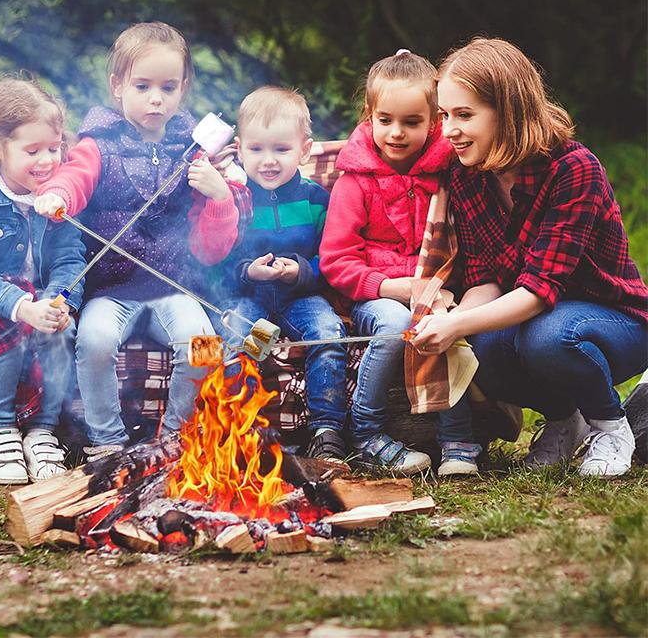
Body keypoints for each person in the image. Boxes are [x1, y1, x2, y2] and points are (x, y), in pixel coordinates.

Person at [410, 37, 648, 477]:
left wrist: (456, 323)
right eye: (445, 115)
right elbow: (486, 279)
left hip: (615, 322)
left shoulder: (572, 169)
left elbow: (538, 293)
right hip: (537, 319)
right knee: (482, 347)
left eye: (464, 115)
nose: (448, 131)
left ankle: (611, 427)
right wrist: (448, 323)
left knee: (545, 335)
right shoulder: (468, 176)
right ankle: (565, 420)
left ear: (509, 109)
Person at [34, 22, 239, 458]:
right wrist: (59, 194)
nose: (155, 99)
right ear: (117, 86)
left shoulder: (194, 151)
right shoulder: (98, 144)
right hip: (111, 291)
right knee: (94, 341)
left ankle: (174, 439)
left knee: (206, 347)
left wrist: (220, 197)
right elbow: (76, 176)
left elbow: (211, 249)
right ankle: (107, 441)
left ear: (183, 88)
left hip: (176, 288)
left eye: (168, 87)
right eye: (142, 85)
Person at [320, 50, 480, 476]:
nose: (396, 133)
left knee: (447, 322)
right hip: (375, 294)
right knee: (394, 324)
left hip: (436, 285)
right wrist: (395, 287)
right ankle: (366, 430)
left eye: (412, 122)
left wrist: (440, 291)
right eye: (385, 120)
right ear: (369, 116)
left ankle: (457, 437)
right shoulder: (355, 181)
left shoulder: (448, 174)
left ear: (435, 122)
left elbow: (462, 241)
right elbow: (335, 261)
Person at [195, 86, 349, 461]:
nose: (268, 161)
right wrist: (249, 272)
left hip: (301, 297)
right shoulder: (234, 197)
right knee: (230, 336)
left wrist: (300, 271)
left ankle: (326, 430)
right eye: (256, 149)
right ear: (240, 149)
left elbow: (331, 259)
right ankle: (239, 428)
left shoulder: (316, 199)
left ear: (304, 150)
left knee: (328, 332)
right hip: (250, 296)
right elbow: (216, 264)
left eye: (281, 149)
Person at [0, 78, 87, 484]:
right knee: (10, 329)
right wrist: (22, 306)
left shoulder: (55, 198)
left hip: (43, 302)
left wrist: (61, 301)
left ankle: (44, 431)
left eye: (54, 148)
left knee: (63, 330)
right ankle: (0, 430)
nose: (47, 161)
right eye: (33, 151)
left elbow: (70, 261)